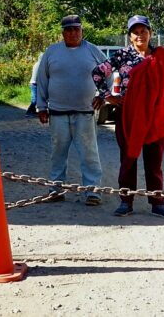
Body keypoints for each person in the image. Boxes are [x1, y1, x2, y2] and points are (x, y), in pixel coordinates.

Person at [92, 15, 164, 219]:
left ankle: (157, 202)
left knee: (154, 160)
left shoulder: (163, 57)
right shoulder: (122, 55)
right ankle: (126, 201)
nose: (140, 35)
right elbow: (97, 73)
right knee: (128, 158)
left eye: (143, 31)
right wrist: (109, 97)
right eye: (135, 32)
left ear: (150, 33)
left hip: (156, 115)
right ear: (130, 36)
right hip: (129, 114)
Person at [36, 15, 107, 206]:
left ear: (82, 31)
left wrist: (103, 94)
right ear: (63, 33)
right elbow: (42, 80)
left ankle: (93, 191)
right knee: (58, 152)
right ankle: (56, 189)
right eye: (68, 30)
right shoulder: (52, 52)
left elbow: (108, 71)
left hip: (85, 112)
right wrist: (41, 106)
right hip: (58, 112)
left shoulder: (92, 50)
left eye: (76, 29)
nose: (73, 33)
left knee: (89, 153)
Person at [25, 53, 43, 117]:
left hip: (35, 83)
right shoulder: (40, 65)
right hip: (34, 84)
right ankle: (28, 112)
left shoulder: (37, 63)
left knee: (36, 99)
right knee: (34, 100)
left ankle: (33, 111)